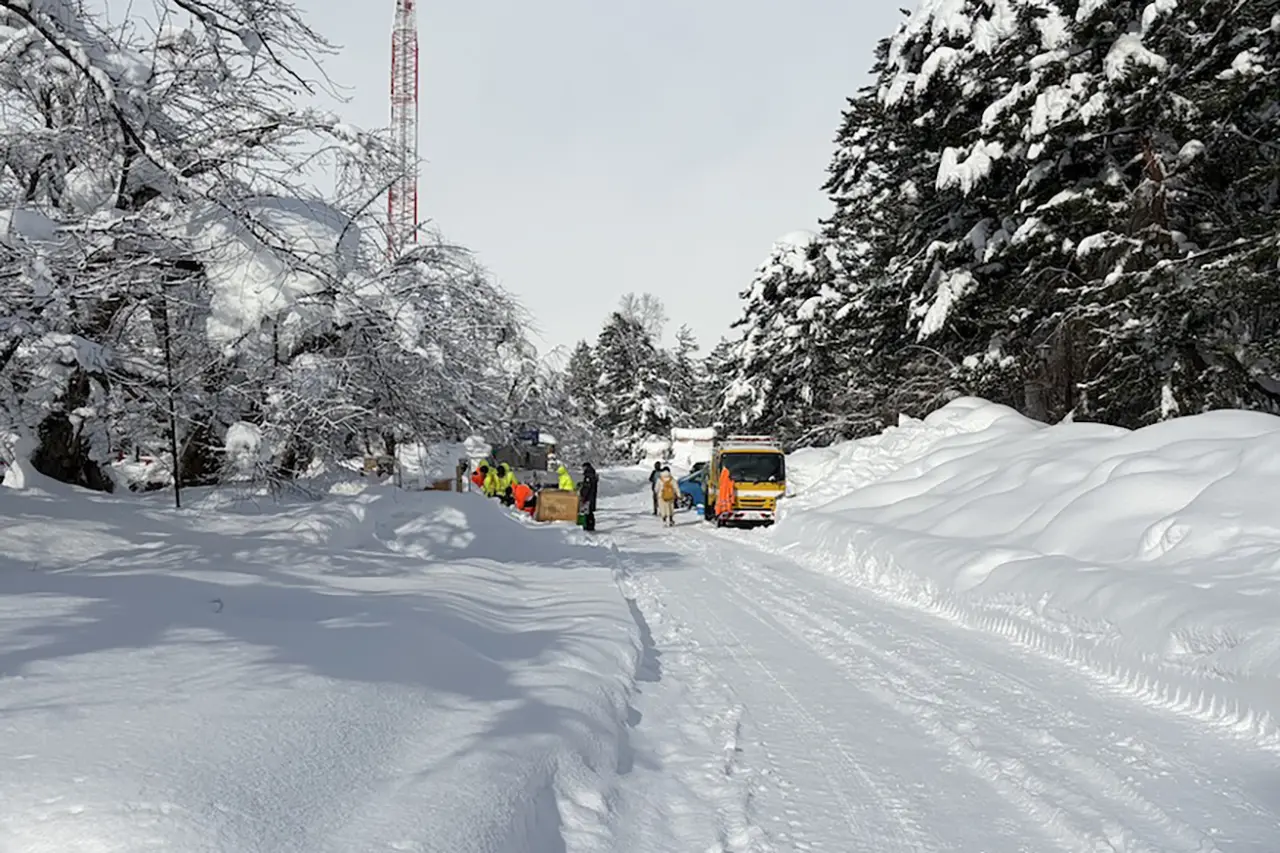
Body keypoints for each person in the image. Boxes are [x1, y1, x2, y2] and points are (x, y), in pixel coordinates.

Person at [578, 462, 598, 531]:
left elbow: (587, 487)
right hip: (591, 497)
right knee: (589, 513)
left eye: (583, 468)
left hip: (587, 498)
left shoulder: (588, 475)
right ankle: (590, 525)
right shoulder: (592, 474)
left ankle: (587, 526)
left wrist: (583, 495)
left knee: (585, 512)